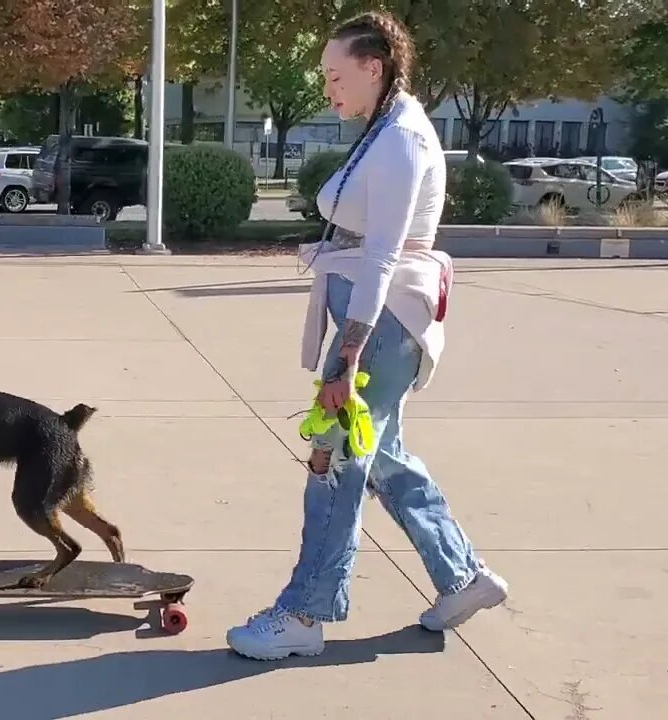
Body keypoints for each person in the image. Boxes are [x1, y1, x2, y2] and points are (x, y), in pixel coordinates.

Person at [226, 10, 509, 661]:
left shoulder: (402, 140)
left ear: (373, 67)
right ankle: (461, 575)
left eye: (335, 75)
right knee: (383, 456)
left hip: (380, 323)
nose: (328, 89)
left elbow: (382, 256)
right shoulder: (386, 129)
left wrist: (345, 357)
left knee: (334, 457)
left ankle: (304, 612)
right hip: (382, 319)